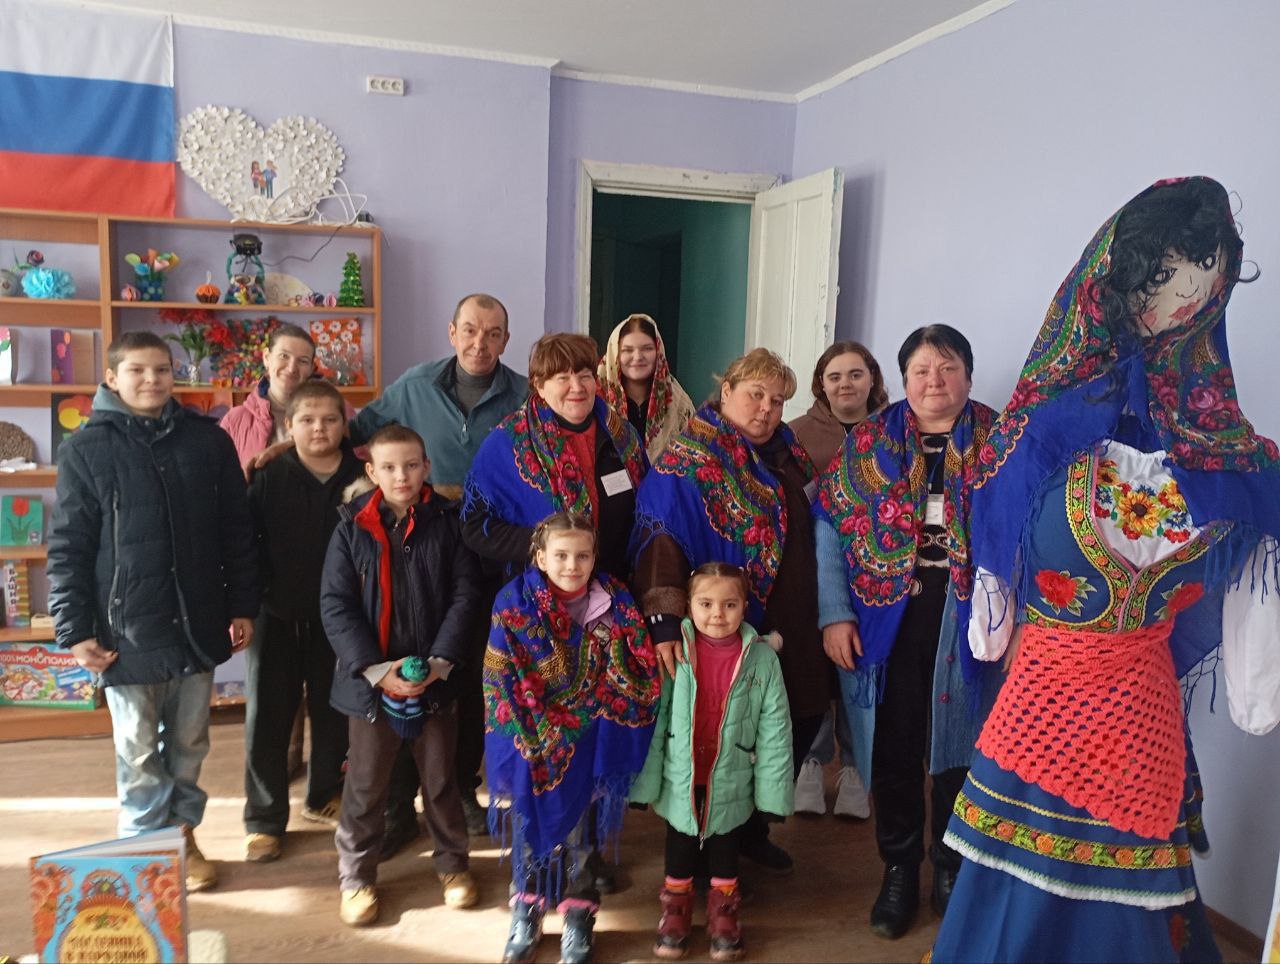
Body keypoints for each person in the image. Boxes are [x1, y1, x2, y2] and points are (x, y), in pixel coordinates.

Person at [933, 176, 1280, 963]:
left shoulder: (1230, 458)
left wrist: (1258, 685)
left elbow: (1255, 613)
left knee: (1132, 900)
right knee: (1012, 894)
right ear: (1114, 282)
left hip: (1140, 713)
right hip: (1040, 699)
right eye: (1162, 278)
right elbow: (989, 600)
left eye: (1203, 283)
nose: (1180, 302)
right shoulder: (1035, 433)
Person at [47, 331, 259, 894]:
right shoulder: (85, 448)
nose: (152, 380)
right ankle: (146, 851)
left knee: (190, 741)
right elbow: (68, 546)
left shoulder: (208, 440)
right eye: (137, 370)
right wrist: (74, 628)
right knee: (138, 750)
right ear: (112, 378)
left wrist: (242, 604)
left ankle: (182, 834)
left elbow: (236, 531)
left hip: (196, 621)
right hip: (125, 631)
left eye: (162, 369)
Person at [814, 324, 1001, 939]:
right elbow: (829, 527)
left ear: (968, 375)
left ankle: (950, 865)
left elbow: (1027, 529)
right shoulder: (868, 443)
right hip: (884, 618)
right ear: (902, 380)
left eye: (947, 368)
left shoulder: (1002, 440)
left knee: (959, 746)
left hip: (970, 618)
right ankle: (898, 868)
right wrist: (835, 613)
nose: (934, 381)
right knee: (893, 747)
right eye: (921, 370)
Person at [632, 348, 822, 878]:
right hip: (721, 627)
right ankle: (699, 848)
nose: (767, 409)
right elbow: (660, 537)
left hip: (792, 621)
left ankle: (750, 831)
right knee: (714, 733)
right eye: (756, 395)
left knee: (795, 718)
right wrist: (665, 620)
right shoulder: (689, 458)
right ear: (727, 391)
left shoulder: (788, 452)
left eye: (778, 401)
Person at [351, 292, 528, 848]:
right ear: (452, 333)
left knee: (470, 675)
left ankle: (461, 791)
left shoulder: (524, 396)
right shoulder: (414, 386)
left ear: (506, 340)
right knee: (410, 662)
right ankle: (398, 803)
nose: (480, 343)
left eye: (493, 333)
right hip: (420, 546)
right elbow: (357, 437)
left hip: (492, 557)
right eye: (470, 330)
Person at [320, 424, 484, 927]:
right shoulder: (349, 529)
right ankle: (356, 877)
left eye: (412, 465)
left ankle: (453, 866)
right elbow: (336, 606)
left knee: (441, 779)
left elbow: (465, 597)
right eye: (389, 467)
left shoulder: (448, 523)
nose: (402, 476)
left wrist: (439, 663)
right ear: (371, 472)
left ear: (426, 467)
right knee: (367, 784)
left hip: (436, 681)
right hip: (371, 686)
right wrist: (376, 670)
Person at [484, 512, 659, 964]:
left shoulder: (616, 600)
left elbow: (633, 667)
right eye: (560, 555)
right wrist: (549, 727)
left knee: (583, 831)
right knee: (530, 823)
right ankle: (527, 907)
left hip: (593, 735)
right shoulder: (513, 602)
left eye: (582, 556)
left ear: (595, 557)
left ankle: (579, 911)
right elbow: (502, 676)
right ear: (540, 557)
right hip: (534, 735)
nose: (571, 565)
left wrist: (584, 714)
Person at [631, 563, 793, 962]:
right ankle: (676, 910)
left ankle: (724, 913)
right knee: (680, 842)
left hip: (732, 773)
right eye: (706, 604)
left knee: (725, 843)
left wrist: (772, 794)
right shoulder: (675, 652)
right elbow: (658, 720)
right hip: (681, 772)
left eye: (729, 605)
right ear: (688, 606)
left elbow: (775, 730)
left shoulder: (761, 659)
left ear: (745, 607)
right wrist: (644, 784)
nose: (717, 615)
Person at [241, 381, 366, 863]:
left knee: (335, 713)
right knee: (269, 719)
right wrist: (246, 606)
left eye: (330, 420)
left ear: (344, 426)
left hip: (340, 621)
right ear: (288, 426)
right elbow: (245, 545)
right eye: (307, 420)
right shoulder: (269, 475)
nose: (319, 429)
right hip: (275, 616)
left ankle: (323, 795)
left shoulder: (363, 477)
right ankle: (264, 819)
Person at [789, 341, 888, 820]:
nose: (845, 384)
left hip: (876, 574)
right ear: (820, 384)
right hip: (810, 570)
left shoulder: (895, 431)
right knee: (815, 668)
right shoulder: (796, 434)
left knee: (858, 664)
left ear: (872, 379)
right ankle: (811, 761)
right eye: (835, 376)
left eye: (855, 374)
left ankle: (855, 767)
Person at [597, 313, 695, 461]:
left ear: (658, 352)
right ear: (614, 354)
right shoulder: (597, 400)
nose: (637, 357)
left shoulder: (679, 404)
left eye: (647, 348)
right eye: (627, 350)